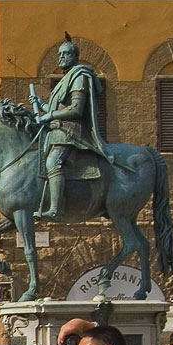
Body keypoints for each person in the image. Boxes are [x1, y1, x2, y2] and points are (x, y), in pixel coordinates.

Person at [29, 33, 111, 221]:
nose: (61, 58)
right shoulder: (64, 80)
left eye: (65, 54)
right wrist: (41, 104)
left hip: (70, 131)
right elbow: (56, 108)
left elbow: (76, 109)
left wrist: (48, 115)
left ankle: (56, 209)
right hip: (56, 131)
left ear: (74, 56)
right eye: (59, 54)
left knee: (52, 163)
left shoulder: (79, 76)